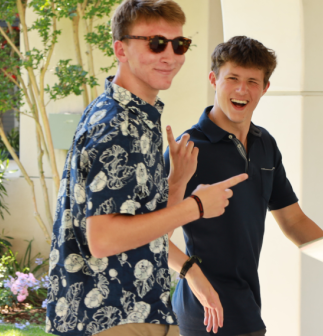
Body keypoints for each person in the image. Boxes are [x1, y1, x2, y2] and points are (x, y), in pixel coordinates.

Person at [45, 1, 247, 335]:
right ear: (120, 49)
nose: (170, 55)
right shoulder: (116, 125)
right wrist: (195, 207)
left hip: (134, 311)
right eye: (156, 43)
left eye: (179, 44)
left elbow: (145, 235)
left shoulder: (135, 116)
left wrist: (176, 182)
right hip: (111, 317)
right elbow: (104, 239)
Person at [164, 36, 323, 336]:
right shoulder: (187, 149)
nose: (242, 90)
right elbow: (151, 236)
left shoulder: (264, 143)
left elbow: (292, 218)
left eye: (253, 81)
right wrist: (193, 276)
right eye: (232, 78)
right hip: (203, 306)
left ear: (265, 88)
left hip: (246, 298)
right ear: (213, 80)